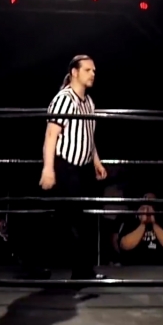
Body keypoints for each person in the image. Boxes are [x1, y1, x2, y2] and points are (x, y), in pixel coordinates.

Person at [39, 55, 108, 280]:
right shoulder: (64, 99)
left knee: (83, 219)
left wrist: (96, 161)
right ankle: (42, 264)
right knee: (68, 219)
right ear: (75, 72)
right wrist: (48, 169)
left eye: (94, 70)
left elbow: (88, 136)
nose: (93, 74)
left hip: (84, 168)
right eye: (88, 70)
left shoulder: (89, 102)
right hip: (66, 166)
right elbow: (51, 135)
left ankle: (81, 270)